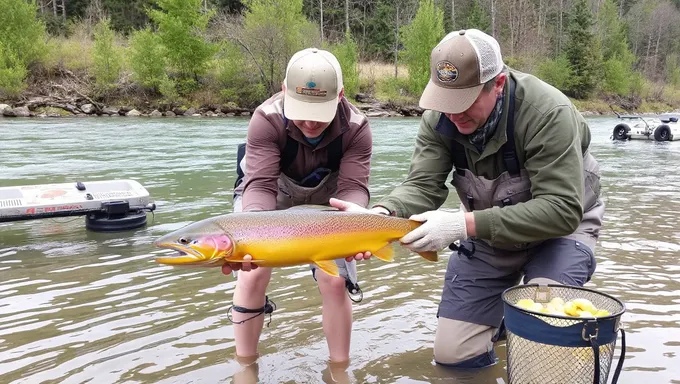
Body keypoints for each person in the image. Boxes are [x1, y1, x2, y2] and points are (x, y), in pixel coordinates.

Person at [331, 28, 605, 369]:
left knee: (544, 335)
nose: (453, 114)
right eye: (446, 102)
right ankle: (504, 324)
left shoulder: (547, 112)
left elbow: (562, 211)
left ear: (499, 83)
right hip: (489, 235)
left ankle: (522, 325)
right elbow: (422, 185)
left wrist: (463, 224)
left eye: (466, 101)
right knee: (453, 357)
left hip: (560, 233)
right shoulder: (439, 118)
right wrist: (380, 215)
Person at [223, 47, 373, 363]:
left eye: (318, 111)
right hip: (267, 199)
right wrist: (255, 238)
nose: (308, 121)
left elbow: (354, 191)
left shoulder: (357, 127)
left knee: (335, 280)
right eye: (301, 108)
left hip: (330, 203)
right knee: (253, 272)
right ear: (284, 90)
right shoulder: (266, 119)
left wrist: (359, 224)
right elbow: (260, 188)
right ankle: (245, 368)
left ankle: (340, 371)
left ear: (340, 96)